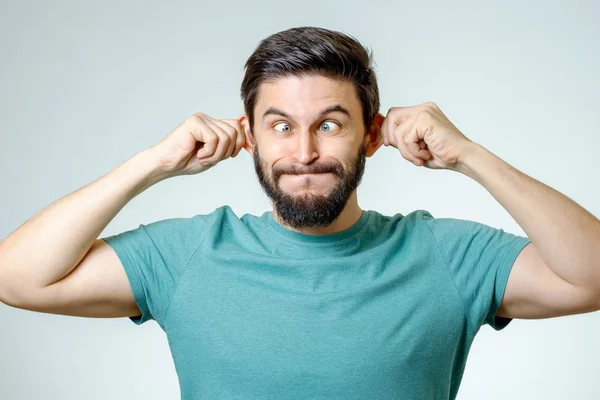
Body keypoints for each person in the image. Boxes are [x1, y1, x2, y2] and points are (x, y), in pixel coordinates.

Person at [0, 26, 599, 400]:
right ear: (250, 138)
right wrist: (153, 164)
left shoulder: (447, 255)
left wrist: (469, 155)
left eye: (330, 125)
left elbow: (591, 275)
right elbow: (16, 276)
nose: (305, 152)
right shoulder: (187, 255)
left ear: (371, 135)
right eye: (281, 126)